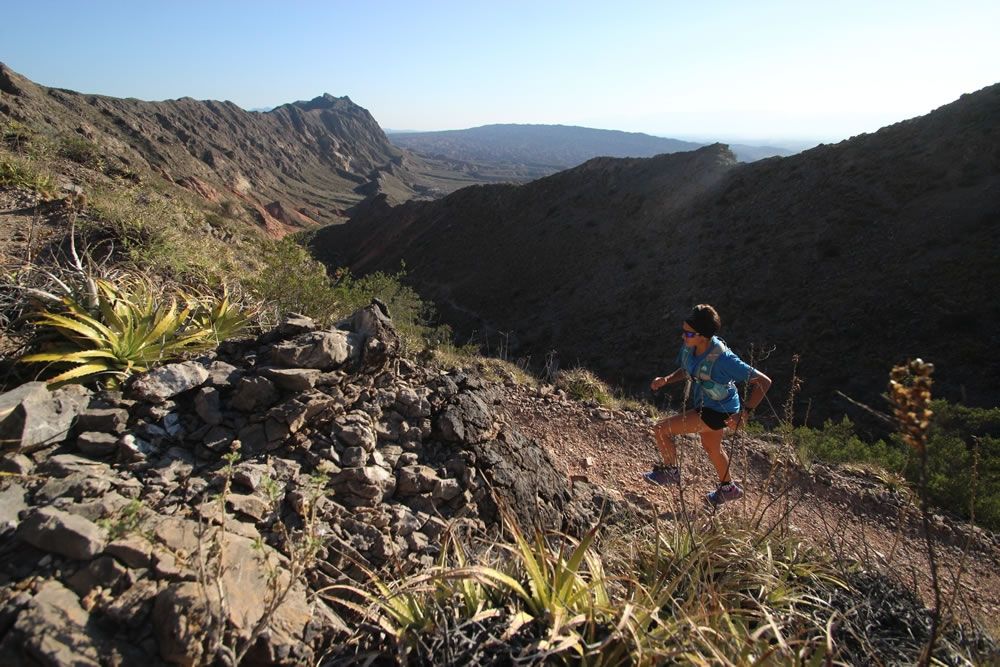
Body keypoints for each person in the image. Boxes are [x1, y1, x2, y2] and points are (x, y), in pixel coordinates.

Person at [644, 304, 771, 507]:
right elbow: (689, 369)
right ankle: (728, 489)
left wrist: (745, 413)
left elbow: (764, 382)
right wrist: (666, 380)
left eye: (689, 333)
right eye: (683, 331)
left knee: (661, 429)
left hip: (719, 410)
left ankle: (670, 472)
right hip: (711, 405)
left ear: (703, 335)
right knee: (711, 447)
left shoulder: (724, 360)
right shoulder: (691, 347)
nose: (683, 336)